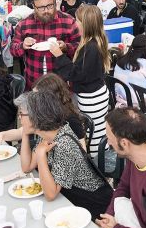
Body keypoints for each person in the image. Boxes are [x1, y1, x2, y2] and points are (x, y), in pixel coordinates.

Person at [16, 90, 112, 219]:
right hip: (71, 199)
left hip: (95, 207)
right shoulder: (46, 134)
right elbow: (26, 167)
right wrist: (25, 133)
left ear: (35, 118)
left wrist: (40, 155)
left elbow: (50, 194)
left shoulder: (64, 144)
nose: (19, 118)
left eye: (21, 114)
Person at [50, 5, 110, 153]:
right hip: (94, 94)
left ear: (86, 24)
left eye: (77, 21)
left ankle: (98, 168)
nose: (75, 23)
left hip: (92, 98)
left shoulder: (91, 47)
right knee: (96, 131)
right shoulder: (94, 41)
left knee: (94, 135)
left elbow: (76, 74)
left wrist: (59, 56)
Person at [0, 73, 88, 148]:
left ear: (49, 99)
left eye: (37, 97)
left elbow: (82, 154)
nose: (33, 100)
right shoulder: (45, 114)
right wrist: (2, 135)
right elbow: (22, 131)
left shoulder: (70, 120)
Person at [11, 0, 81, 88]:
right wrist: (22, 46)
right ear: (34, 7)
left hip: (60, 84)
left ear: (54, 2)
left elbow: (80, 47)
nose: (46, 11)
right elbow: (13, 49)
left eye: (50, 6)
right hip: (34, 83)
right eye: (41, 8)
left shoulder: (68, 21)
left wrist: (66, 47)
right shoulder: (24, 24)